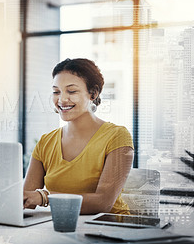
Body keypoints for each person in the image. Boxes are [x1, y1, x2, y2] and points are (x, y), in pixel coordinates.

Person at [23, 58, 134, 215]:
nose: (61, 99)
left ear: (93, 93)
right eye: (56, 92)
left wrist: (45, 197)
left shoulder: (117, 136)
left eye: (72, 91)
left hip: (110, 230)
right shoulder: (45, 142)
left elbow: (103, 203)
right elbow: (27, 200)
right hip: (61, 229)